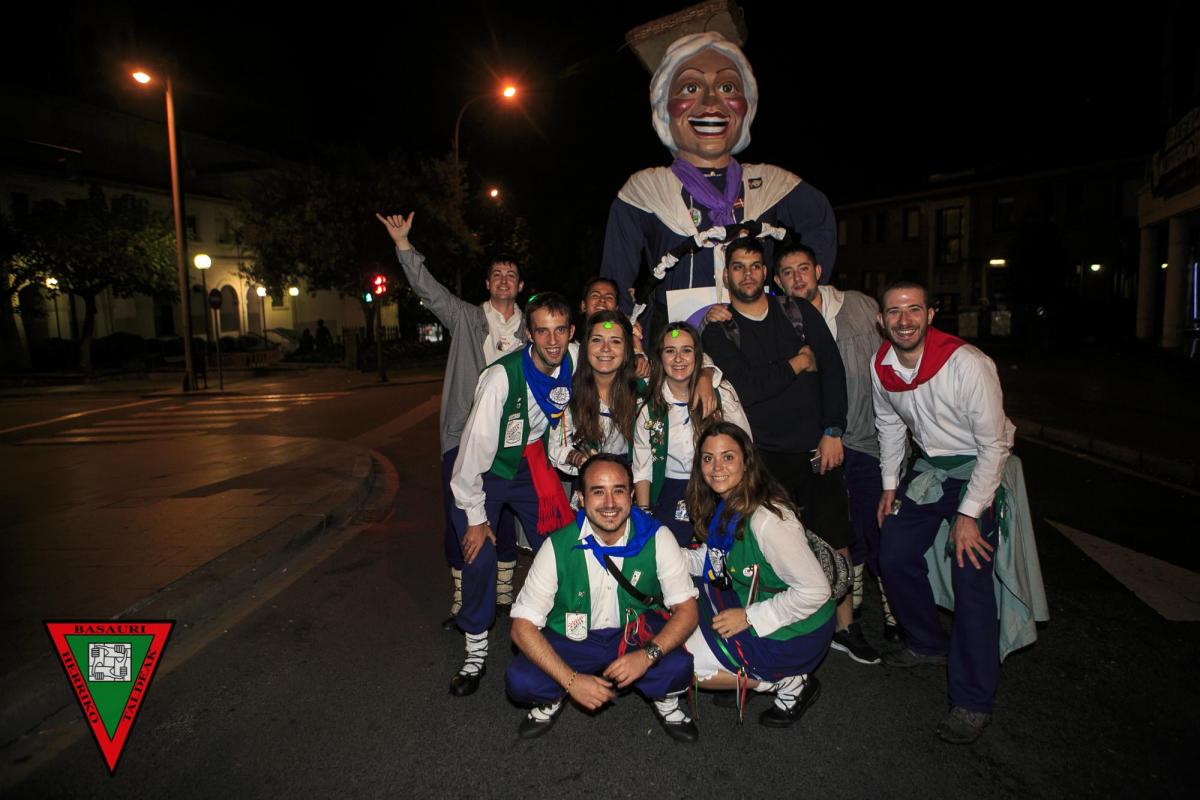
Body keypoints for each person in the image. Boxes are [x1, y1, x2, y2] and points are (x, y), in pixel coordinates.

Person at [700, 238, 876, 665]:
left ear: (766, 273)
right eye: (738, 266)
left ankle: (845, 627)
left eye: (755, 266)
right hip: (762, 458)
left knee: (835, 538)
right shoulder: (718, 330)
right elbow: (750, 387)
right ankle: (777, 626)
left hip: (817, 448)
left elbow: (831, 369)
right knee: (771, 546)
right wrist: (798, 364)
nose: (747, 274)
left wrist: (833, 429)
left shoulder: (797, 312)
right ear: (726, 275)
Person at [601, 31, 836, 334]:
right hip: (676, 342)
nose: (711, 102)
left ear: (747, 104)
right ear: (663, 104)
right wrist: (626, 329)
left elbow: (820, 224)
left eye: (727, 87)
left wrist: (801, 301)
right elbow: (613, 281)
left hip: (757, 339)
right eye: (690, 87)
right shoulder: (646, 191)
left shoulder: (769, 184)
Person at [872, 280, 1015, 744]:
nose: (904, 320)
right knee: (892, 554)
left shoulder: (967, 363)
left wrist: (969, 515)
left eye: (914, 309)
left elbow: (995, 446)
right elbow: (889, 425)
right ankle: (928, 642)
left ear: (930, 315)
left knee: (970, 577)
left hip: (978, 471)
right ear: (881, 320)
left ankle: (973, 700)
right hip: (931, 470)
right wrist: (890, 486)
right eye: (895, 312)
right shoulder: (882, 365)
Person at [377, 212, 524, 629]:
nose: (503, 280)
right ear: (488, 283)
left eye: (511, 275)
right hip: (462, 436)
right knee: (459, 515)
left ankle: (503, 590)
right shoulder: (465, 318)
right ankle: (462, 595)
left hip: (510, 439)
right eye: (497, 274)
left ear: (520, 286)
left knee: (504, 514)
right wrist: (403, 245)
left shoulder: (532, 332)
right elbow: (429, 289)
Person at [506, 454, 700, 741]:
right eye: (598, 492)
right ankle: (552, 697)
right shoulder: (556, 546)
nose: (610, 503)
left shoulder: (658, 538)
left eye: (618, 490)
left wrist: (647, 656)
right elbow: (521, 627)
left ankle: (665, 700)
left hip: (634, 632)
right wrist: (571, 681)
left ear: (631, 495)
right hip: (573, 637)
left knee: (678, 666)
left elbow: (687, 610)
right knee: (522, 681)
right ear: (581, 499)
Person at [447, 292, 579, 696]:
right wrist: (475, 518)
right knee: (479, 554)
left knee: (562, 547)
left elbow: (617, 350)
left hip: (530, 464)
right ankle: (475, 649)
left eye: (560, 330)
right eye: (543, 331)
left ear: (571, 332)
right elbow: (469, 458)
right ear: (529, 335)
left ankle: (563, 632)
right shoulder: (500, 379)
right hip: (483, 472)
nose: (553, 341)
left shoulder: (572, 359)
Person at [774, 243, 902, 644]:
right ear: (778, 281)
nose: (797, 278)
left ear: (818, 271)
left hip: (865, 437)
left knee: (878, 523)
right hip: (818, 442)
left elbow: (894, 357)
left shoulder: (858, 307)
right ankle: (852, 599)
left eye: (803, 268)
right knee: (838, 527)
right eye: (787, 272)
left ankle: (896, 610)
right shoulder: (778, 318)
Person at [683, 422, 834, 728]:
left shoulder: (767, 520)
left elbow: (816, 591)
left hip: (797, 626)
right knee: (681, 616)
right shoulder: (729, 503)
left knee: (686, 666)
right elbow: (710, 560)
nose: (717, 468)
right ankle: (747, 671)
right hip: (750, 597)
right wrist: (662, 555)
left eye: (728, 457)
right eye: (708, 458)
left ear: (747, 462)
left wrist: (749, 617)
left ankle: (787, 683)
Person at [632, 321, 751, 545]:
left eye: (686, 350)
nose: (678, 358)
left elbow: (746, 445)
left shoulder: (721, 393)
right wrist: (644, 514)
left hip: (719, 486)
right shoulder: (650, 408)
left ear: (698, 356)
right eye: (670, 351)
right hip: (672, 491)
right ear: (660, 357)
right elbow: (642, 468)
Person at [550, 311, 641, 475]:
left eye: (615, 341)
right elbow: (556, 446)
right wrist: (579, 459)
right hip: (587, 477)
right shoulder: (567, 392)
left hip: (633, 477)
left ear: (627, 349)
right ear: (585, 346)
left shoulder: (642, 391)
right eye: (597, 340)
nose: (605, 348)